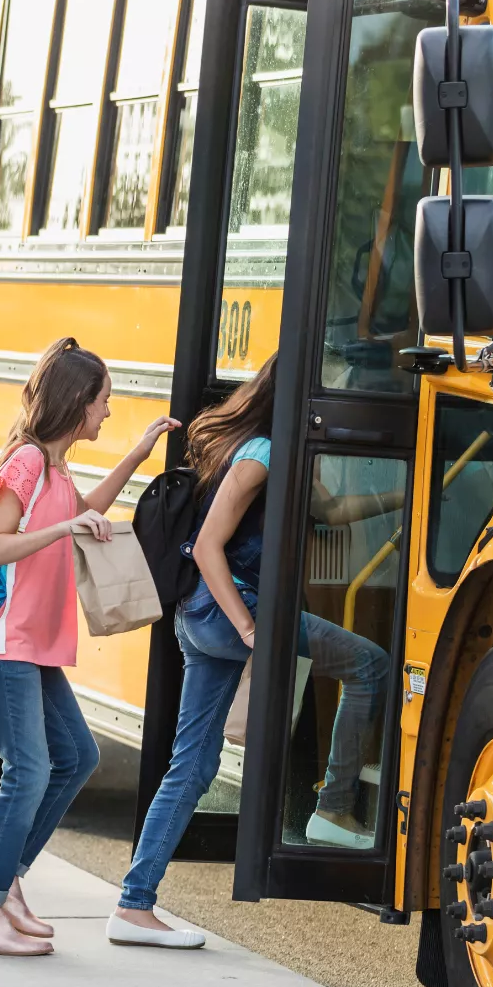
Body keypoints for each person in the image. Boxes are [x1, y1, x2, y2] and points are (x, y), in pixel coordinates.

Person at [109, 357, 392, 949]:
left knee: (194, 764)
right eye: (329, 390)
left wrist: (411, 492)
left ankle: (134, 905)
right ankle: (334, 807)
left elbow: (334, 514)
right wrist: (251, 630)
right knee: (370, 664)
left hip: (207, 617)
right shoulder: (262, 454)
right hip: (226, 612)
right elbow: (208, 545)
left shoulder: (280, 451)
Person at [0, 339, 180, 957]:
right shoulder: (26, 462)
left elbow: (86, 512)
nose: (108, 413)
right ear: (77, 404)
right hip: (1, 642)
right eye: (104, 402)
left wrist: (138, 453)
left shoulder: (56, 467)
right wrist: (60, 528)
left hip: (34, 643)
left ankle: (6, 882)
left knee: (76, 757)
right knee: (26, 771)